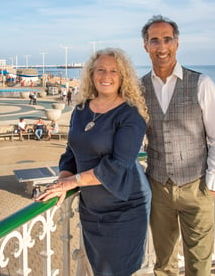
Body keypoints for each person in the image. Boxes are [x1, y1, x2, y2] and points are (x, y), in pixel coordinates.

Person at [36, 48, 151, 276]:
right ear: (91, 74)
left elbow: (118, 165)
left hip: (125, 207)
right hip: (92, 208)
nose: (106, 76)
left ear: (123, 77)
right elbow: (71, 152)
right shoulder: (81, 110)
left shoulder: (130, 115)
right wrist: (63, 180)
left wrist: (72, 183)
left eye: (113, 71)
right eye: (101, 70)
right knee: (100, 270)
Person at [140, 15, 215, 276]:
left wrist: (212, 185)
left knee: (199, 263)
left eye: (167, 39)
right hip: (158, 187)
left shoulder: (201, 83)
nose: (162, 46)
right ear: (146, 46)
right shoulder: (139, 88)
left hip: (197, 186)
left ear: (177, 44)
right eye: (154, 40)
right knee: (164, 262)